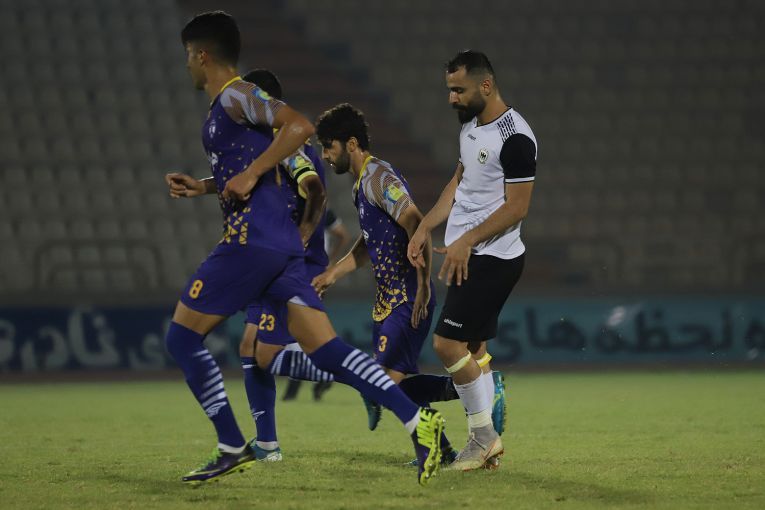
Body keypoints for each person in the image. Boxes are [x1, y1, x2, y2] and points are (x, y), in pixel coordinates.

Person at [164, 11, 445, 486]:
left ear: (201, 54)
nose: (187, 65)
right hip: (278, 251)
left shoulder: (236, 93)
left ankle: (233, 443)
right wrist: (204, 186)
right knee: (326, 350)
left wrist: (252, 176)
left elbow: (297, 127)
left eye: (188, 56)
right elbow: (263, 166)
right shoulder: (235, 114)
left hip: (251, 243)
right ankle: (418, 422)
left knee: (182, 338)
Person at [167, 66, 332, 463]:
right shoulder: (268, 147)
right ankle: (268, 444)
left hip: (281, 257)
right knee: (251, 347)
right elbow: (249, 177)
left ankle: (363, 379)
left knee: (265, 353)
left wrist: (304, 235)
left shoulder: (284, 143)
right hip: (268, 253)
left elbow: (314, 189)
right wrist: (202, 186)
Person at [408, 50, 537, 471]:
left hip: (492, 258)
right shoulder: (470, 126)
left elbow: (517, 207)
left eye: (459, 90)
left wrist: (466, 241)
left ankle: (483, 439)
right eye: (449, 90)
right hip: (471, 255)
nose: (452, 98)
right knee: (474, 349)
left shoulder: (516, 139)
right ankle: (484, 447)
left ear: (486, 85)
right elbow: (460, 181)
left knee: (446, 345)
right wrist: (426, 225)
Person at [312, 103, 462, 463]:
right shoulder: (361, 185)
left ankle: (477, 385)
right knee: (400, 386)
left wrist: (423, 284)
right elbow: (368, 245)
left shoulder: (378, 177)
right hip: (388, 302)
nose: (325, 155)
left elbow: (416, 221)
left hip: (406, 298)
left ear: (350, 144)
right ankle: (443, 447)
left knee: (382, 383)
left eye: (328, 146)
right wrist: (333, 273)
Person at [281, 207, 349, 402]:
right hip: (295, 273)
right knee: (304, 329)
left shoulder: (320, 210)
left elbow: (343, 235)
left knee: (300, 327)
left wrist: (331, 262)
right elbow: (342, 235)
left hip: (310, 275)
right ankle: (323, 375)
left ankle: (315, 378)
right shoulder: (292, 208)